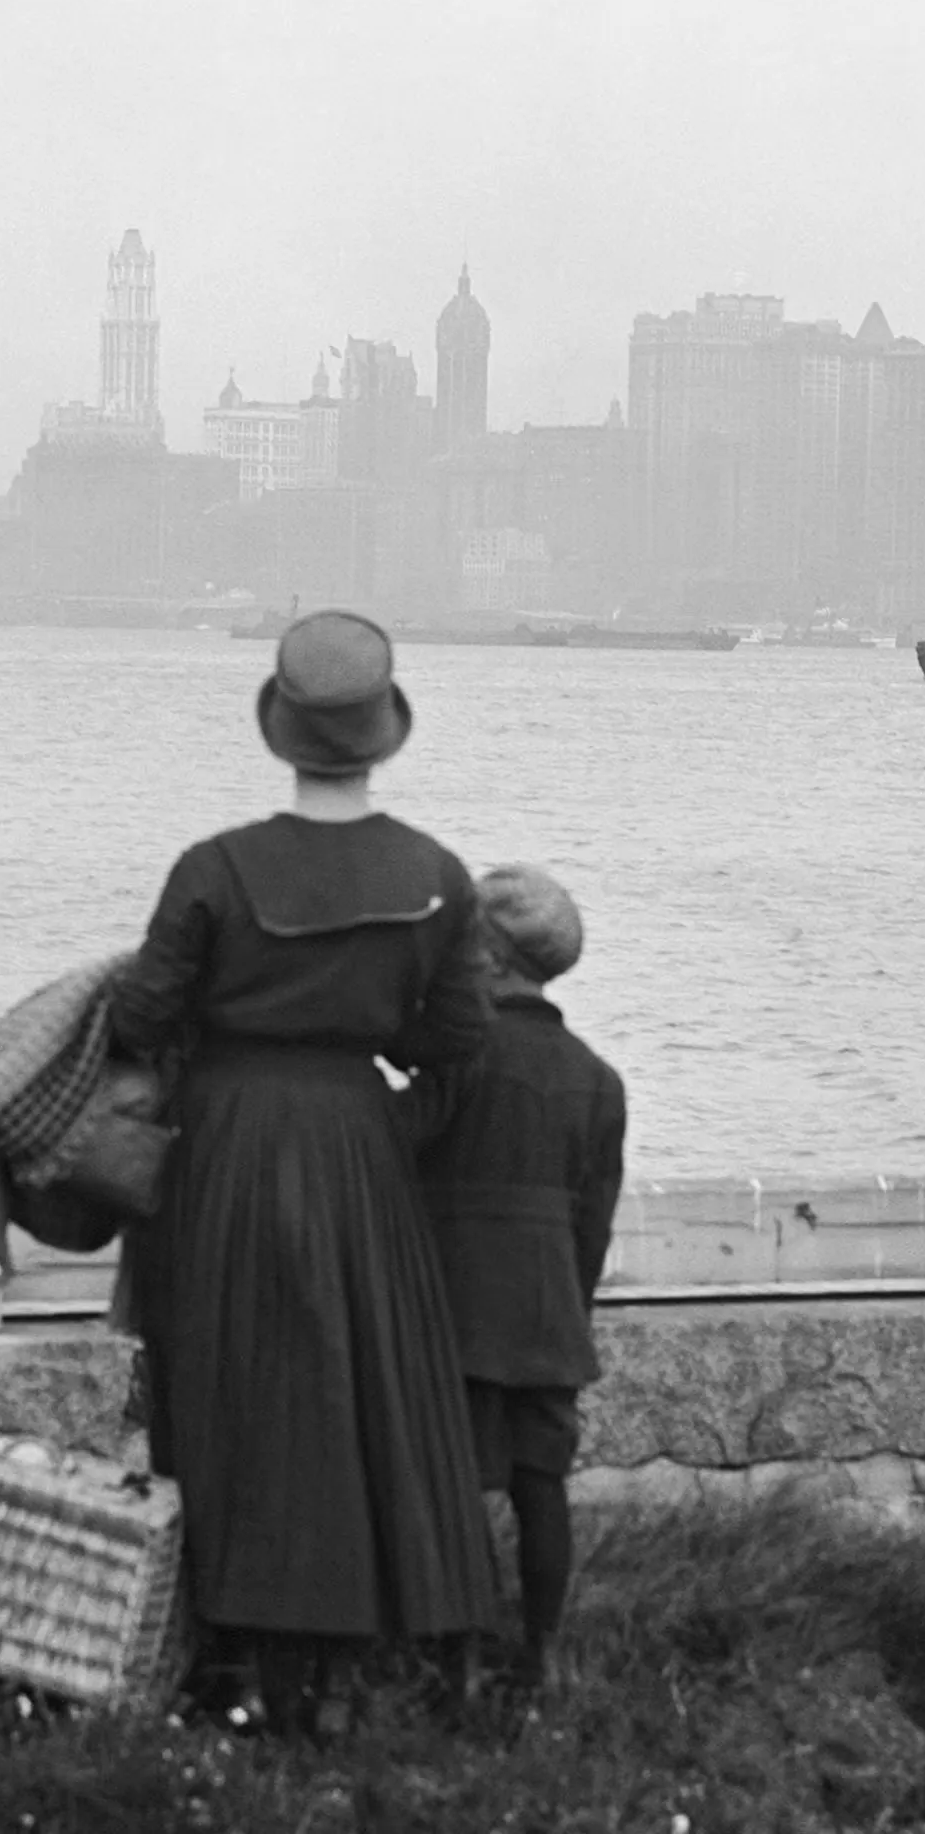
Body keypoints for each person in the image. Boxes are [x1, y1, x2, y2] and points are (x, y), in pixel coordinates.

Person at [107, 610, 503, 1735]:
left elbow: (142, 1012)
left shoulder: (217, 867)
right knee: (362, 1391)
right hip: (355, 1143)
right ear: (383, 738)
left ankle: (229, 1657)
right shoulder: (435, 874)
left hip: (225, 1139)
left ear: (282, 734)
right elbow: (458, 1037)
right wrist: (376, 1087)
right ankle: (341, 1671)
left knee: (224, 1383)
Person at [405, 865, 624, 1691]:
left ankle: (457, 1655)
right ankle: (542, 1651)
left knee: (451, 1484)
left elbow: (392, 1150)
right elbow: (591, 1224)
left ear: (487, 960)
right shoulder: (597, 1079)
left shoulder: (462, 1058)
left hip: (454, 1308)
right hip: (547, 1315)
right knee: (542, 1490)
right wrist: (569, 1305)